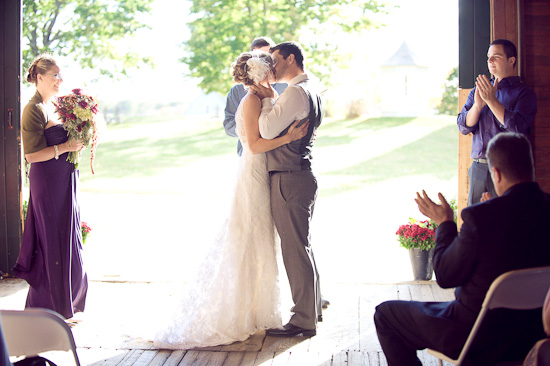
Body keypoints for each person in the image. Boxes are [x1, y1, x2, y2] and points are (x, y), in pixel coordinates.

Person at [153, 51, 309, 349]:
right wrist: (289, 138)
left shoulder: (270, 93)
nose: (274, 70)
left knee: (262, 240)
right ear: (259, 74)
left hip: (267, 171)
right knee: (247, 237)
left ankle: (256, 311)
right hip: (253, 172)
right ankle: (236, 313)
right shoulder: (250, 100)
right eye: (270, 67)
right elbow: (253, 143)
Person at [374, 132, 550, 365]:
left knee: (386, 315)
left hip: (476, 335)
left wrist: (445, 223)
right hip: (532, 333)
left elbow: (446, 276)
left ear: (495, 174)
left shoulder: (481, 217)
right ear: (531, 167)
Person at [250, 41, 323, 337]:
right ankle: (312, 310)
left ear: (291, 58)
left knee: (294, 249)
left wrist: (268, 99)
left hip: (289, 177)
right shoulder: (310, 87)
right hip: (300, 174)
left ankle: (303, 319)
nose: (273, 66)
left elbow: (266, 130)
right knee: (302, 246)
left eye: (276, 59)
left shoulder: (294, 92)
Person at [13, 55, 88, 321]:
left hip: (64, 184)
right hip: (47, 183)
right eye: (55, 75)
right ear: (40, 77)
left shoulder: (53, 107)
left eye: (60, 75)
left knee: (67, 239)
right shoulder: (32, 109)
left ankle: (67, 303)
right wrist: (66, 147)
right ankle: (48, 308)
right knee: (51, 242)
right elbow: (32, 156)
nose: (60, 80)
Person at [457, 38, 537, 206]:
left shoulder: (524, 93)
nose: (490, 61)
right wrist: (478, 106)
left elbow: (518, 128)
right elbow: (463, 127)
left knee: (506, 222)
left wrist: (492, 101)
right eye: (488, 57)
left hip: (509, 169)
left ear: (511, 60)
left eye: (496, 56)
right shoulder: (479, 90)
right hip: (478, 168)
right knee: (476, 222)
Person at [223, 36, 287, 156]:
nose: (267, 61)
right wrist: (251, 128)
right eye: (262, 57)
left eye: (270, 56)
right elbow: (228, 124)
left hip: (278, 154)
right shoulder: (238, 92)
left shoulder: (285, 86)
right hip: (250, 153)